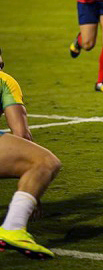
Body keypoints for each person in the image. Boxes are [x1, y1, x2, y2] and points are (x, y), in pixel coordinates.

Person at [0, 50, 61, 259]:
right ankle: (13, 226)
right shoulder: (4, 80)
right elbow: (21, 133)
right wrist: (33, 189)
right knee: (45, 162)